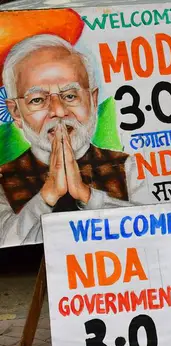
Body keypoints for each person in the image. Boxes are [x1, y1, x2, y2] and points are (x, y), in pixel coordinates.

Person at [0, 34, 140, 246]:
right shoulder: (3, 178)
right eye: (37, 100)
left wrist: (86, 195)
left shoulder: (127, 166)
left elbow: (154, 228)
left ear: (92, 100)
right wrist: (47, 196)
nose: (58, 111)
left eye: (70, 96)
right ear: (16, 113)